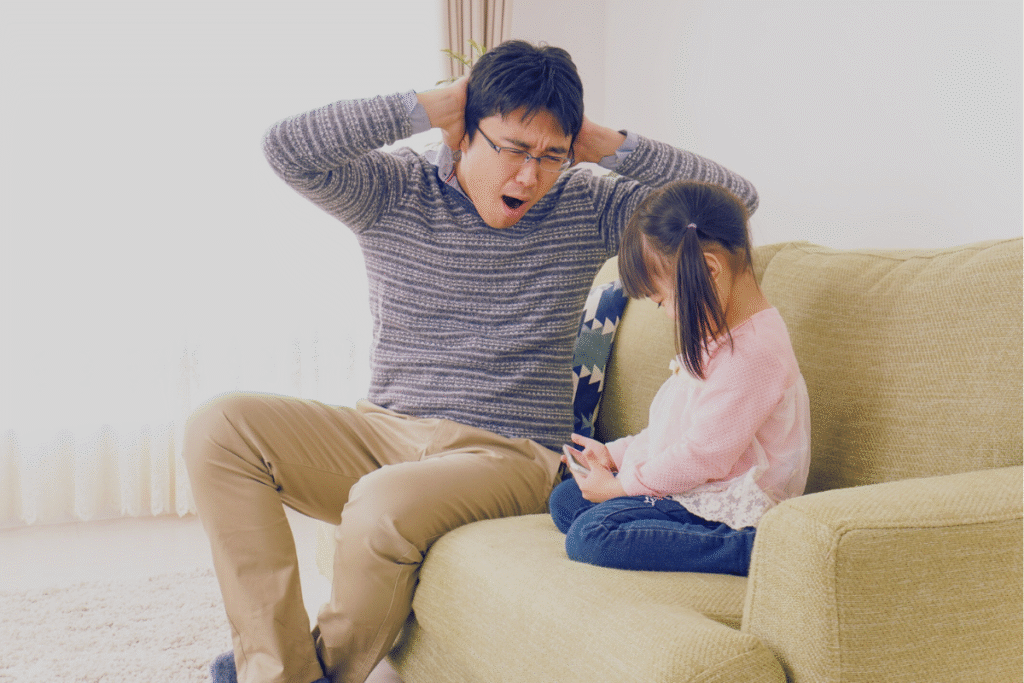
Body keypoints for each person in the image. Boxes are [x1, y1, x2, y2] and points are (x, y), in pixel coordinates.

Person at [185, 40, 759, 683]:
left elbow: (732, 203)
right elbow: (287, 147)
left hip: (510, 454)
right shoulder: (391, 190)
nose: (529, 178)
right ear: (464, 132)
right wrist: (424, 106)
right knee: (219, 427)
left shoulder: (587, 205)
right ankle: (279, 670)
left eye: (550, 155)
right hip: (382, 431)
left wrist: (603, 144)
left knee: (381, 502)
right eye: (513, 149)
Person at [549, 180, 811, 577]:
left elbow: (701, 456)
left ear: (709, 269)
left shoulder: (752, 353)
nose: (670, 315)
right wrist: (616, 456)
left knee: (592, 534)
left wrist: (620, 488)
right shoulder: (717, 334)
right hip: (695, 483)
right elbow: (674, 431)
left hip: (726, 503)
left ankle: (756, 549)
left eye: (663, 300)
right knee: (568, 500)